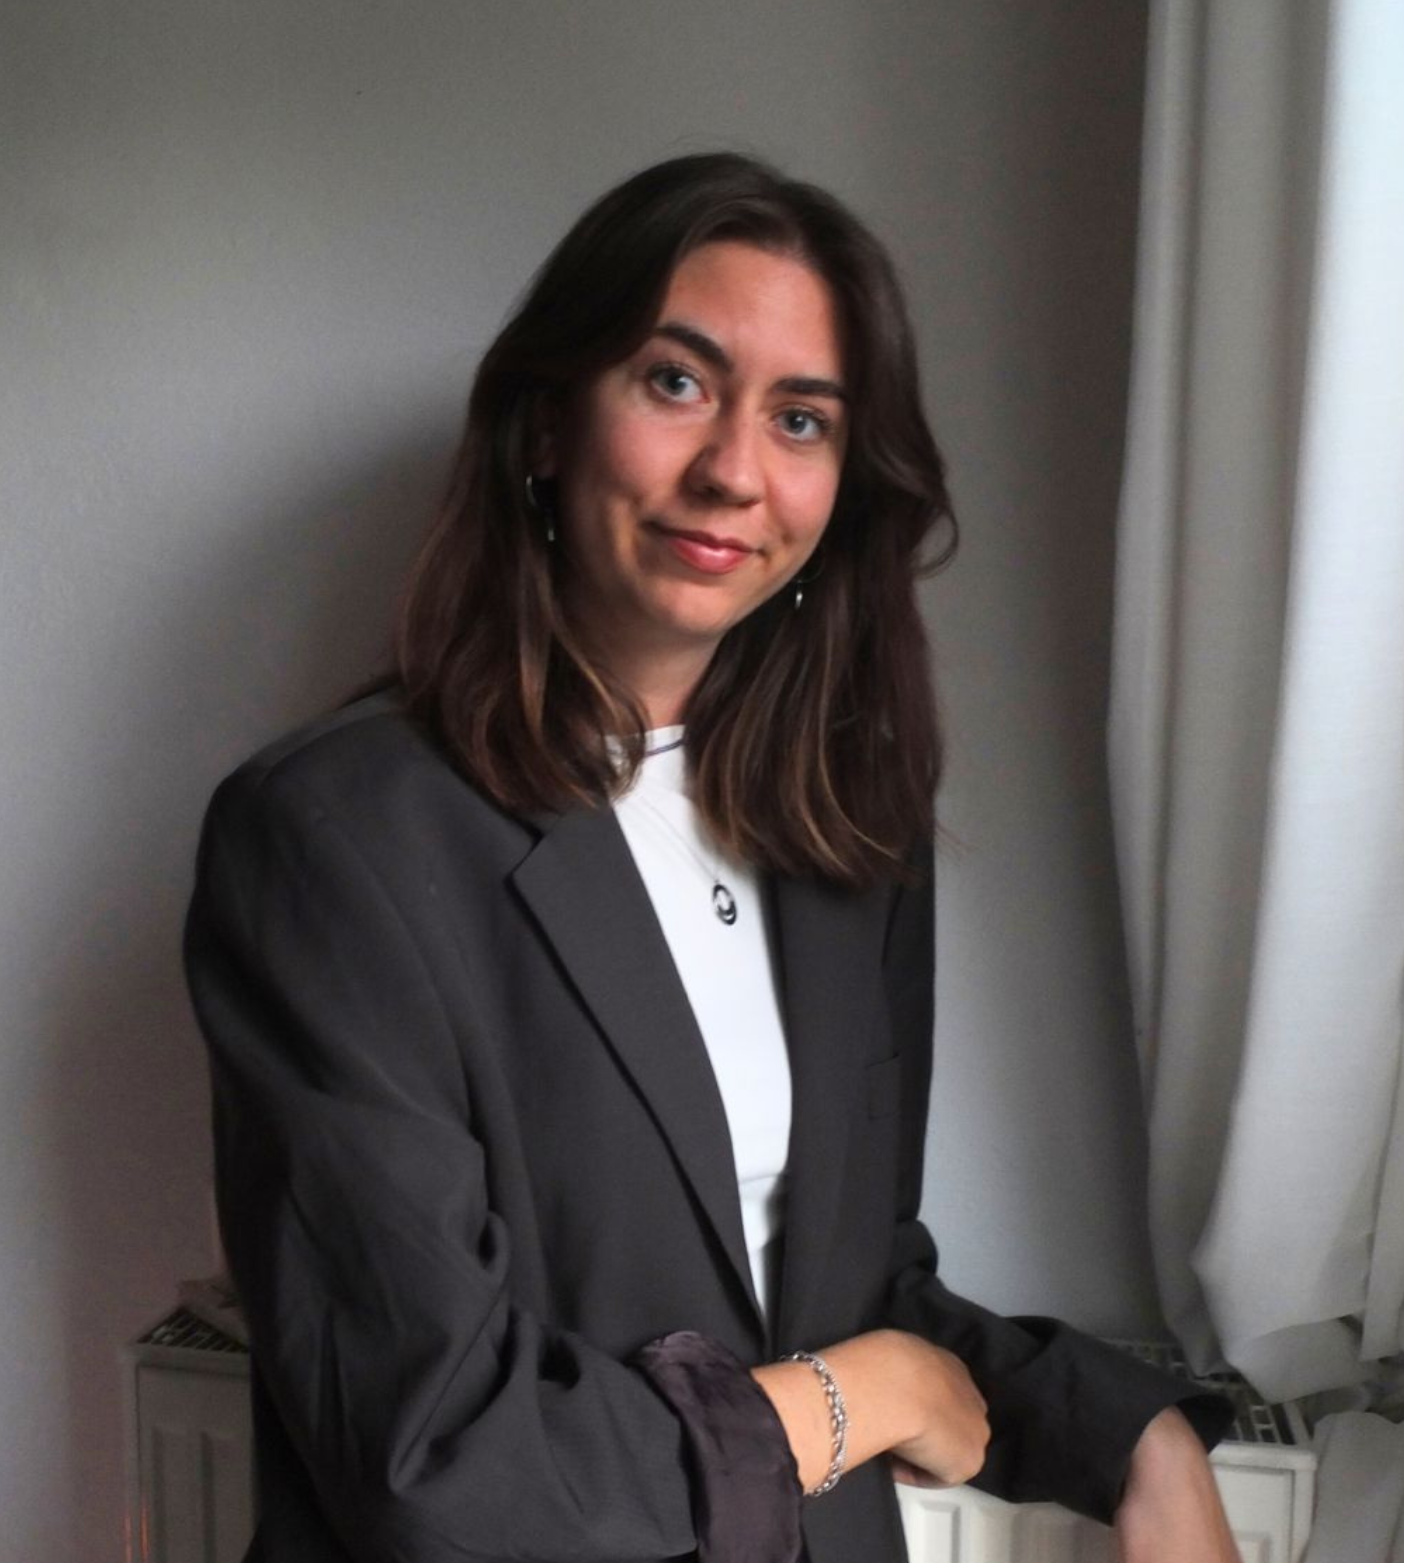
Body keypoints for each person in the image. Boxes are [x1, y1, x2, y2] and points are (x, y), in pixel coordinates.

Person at [184, 153, 1238, 1563]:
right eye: (675, 382)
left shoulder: (852, 829)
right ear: (547, 423)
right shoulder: (332, 839)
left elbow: (846, 1285)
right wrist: (856, 1396)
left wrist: (1133, 1436)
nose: (734, 471)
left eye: (800, 419)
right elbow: (431, 1453)